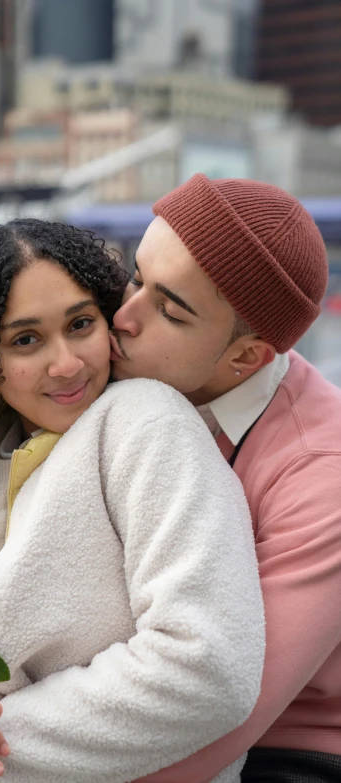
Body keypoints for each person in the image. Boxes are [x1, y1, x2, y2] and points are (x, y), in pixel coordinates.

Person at [0, 219, 264, 783]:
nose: (67, 363)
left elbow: (209, 666)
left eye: (81, 324)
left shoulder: (146, 423)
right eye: (26, 340)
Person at [108, 174, 341, 783]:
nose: (121, 318)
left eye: (168, 309)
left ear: (245, 358)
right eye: (136, 276)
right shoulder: (132, 379)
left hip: (294, 745)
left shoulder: (322, 473)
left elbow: (220, 716)